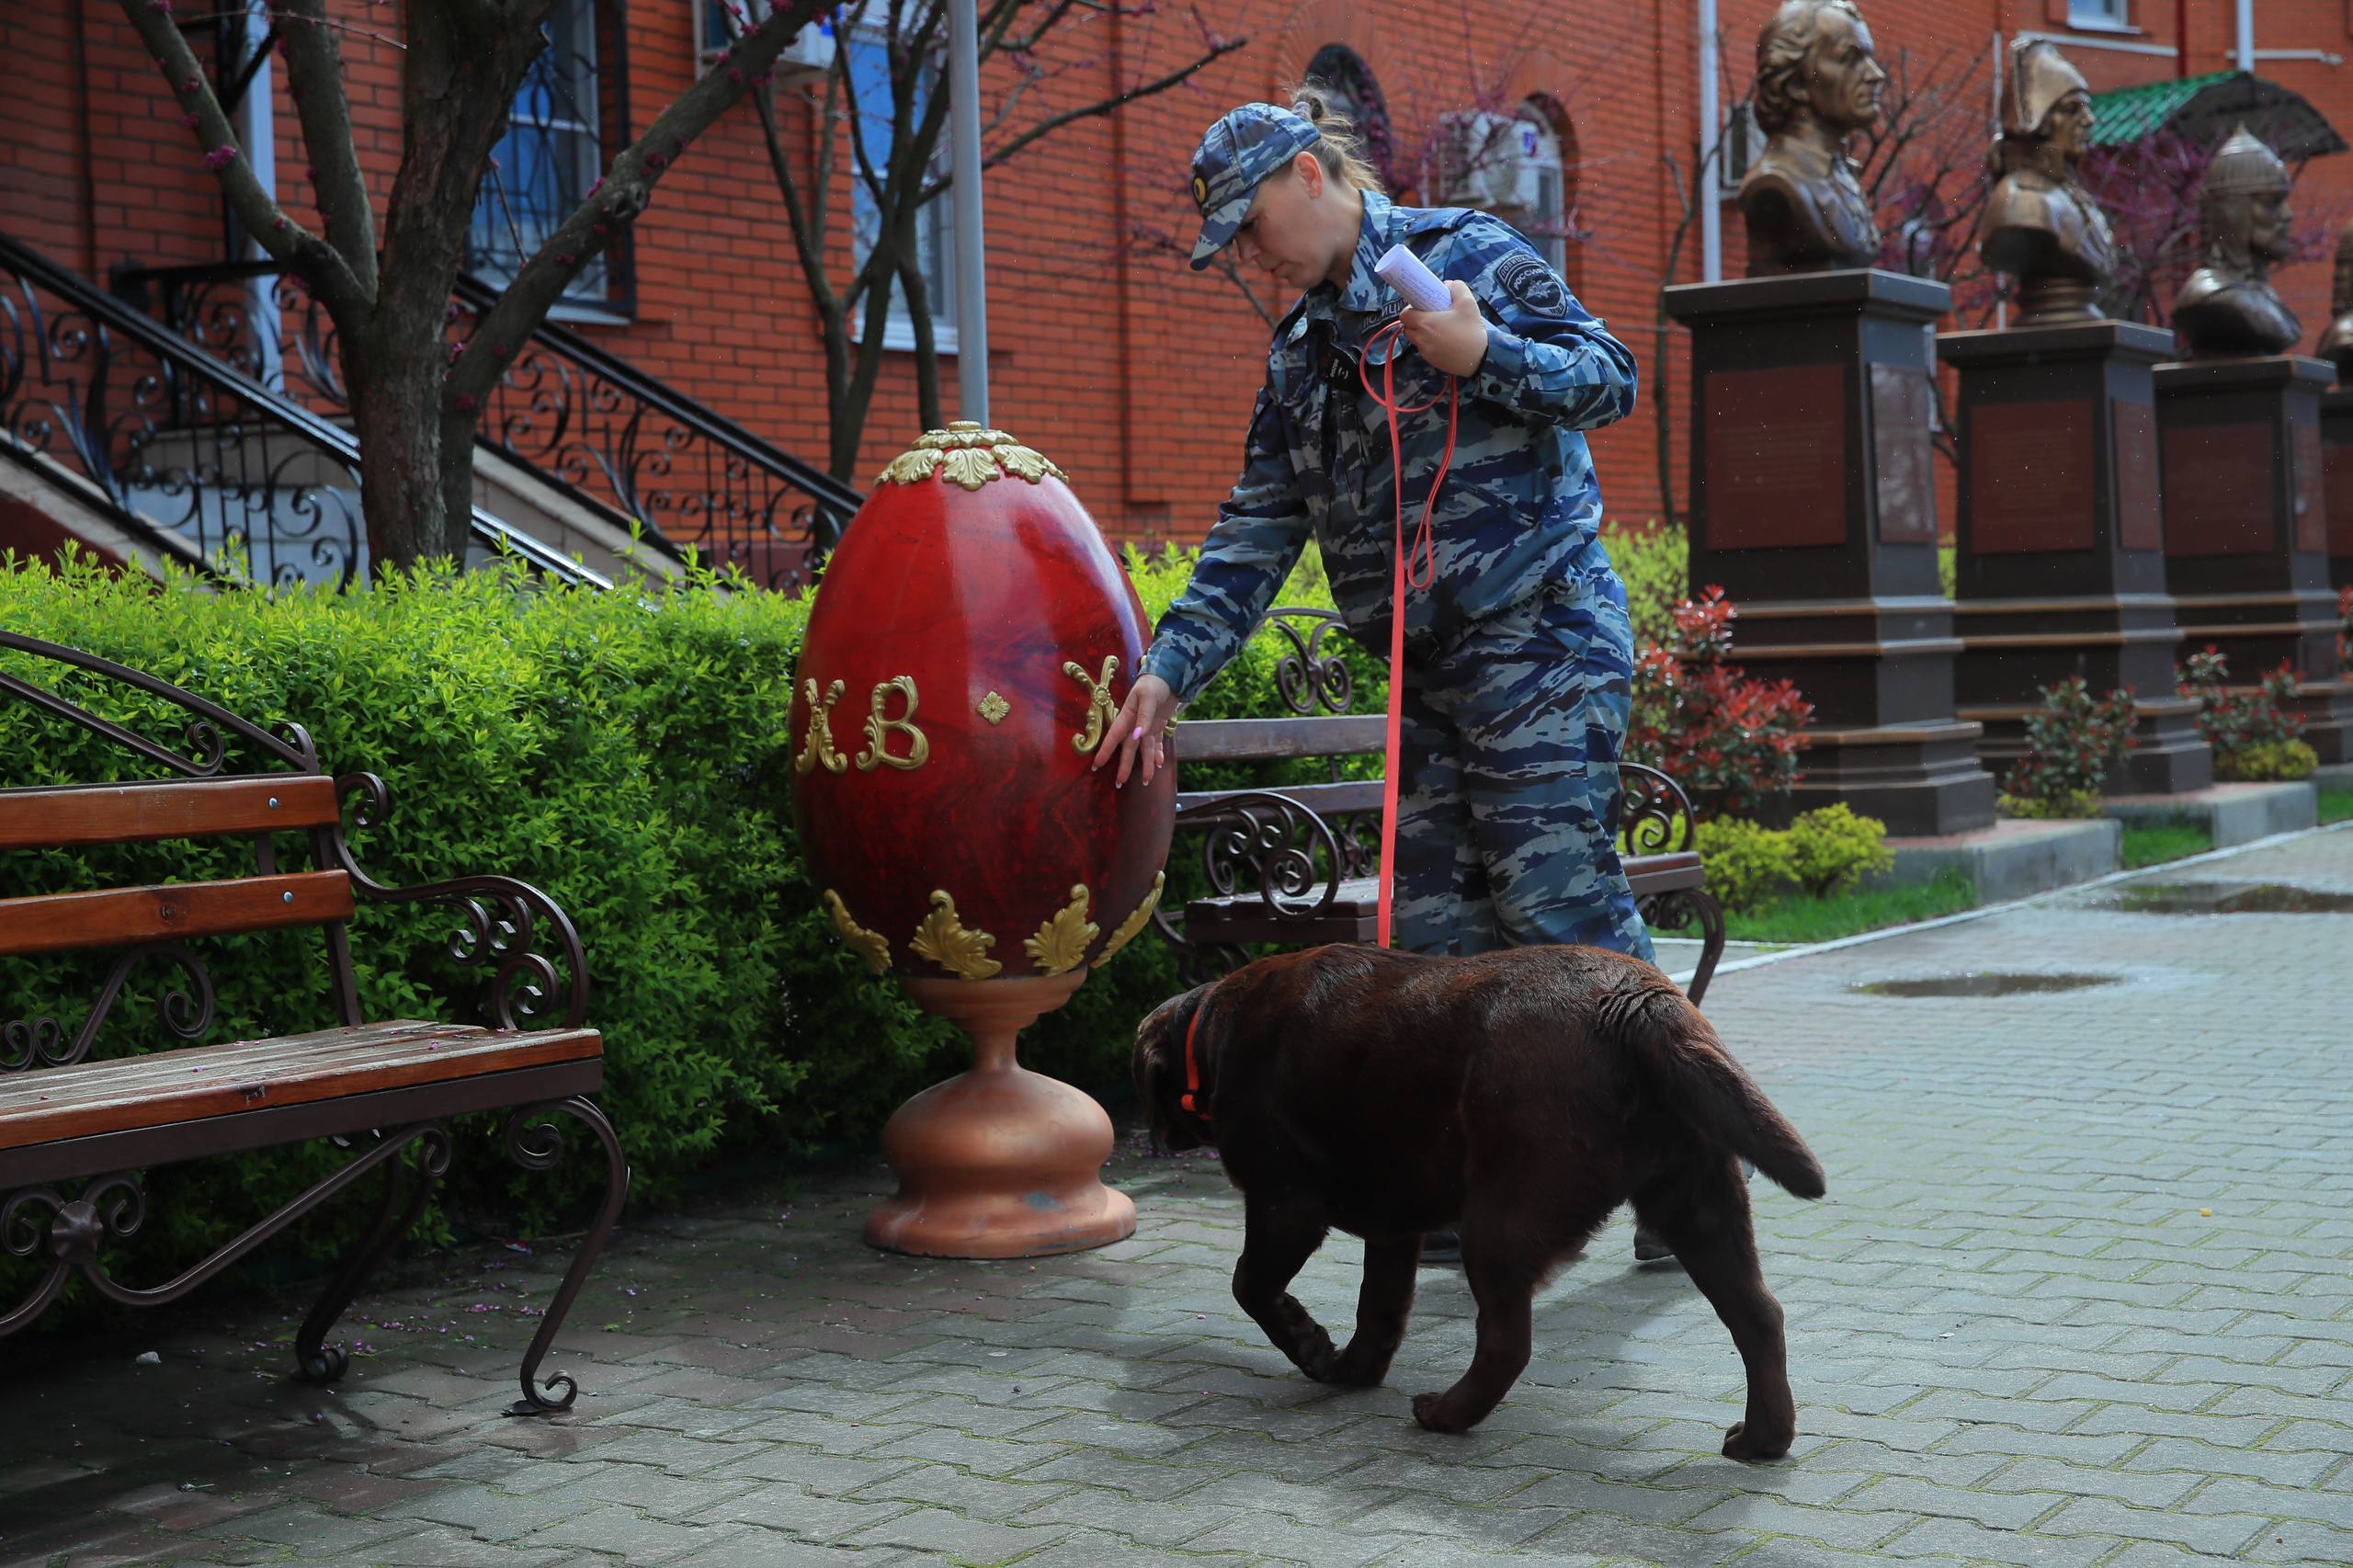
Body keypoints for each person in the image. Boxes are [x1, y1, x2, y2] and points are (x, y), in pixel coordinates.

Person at [1093, 92, 1671, 1261]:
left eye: (1251, 225)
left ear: (1309, 175)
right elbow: (1254, 533)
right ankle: (1472, 1191)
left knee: (1556, 904)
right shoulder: (1300, 355)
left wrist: (1481, 351)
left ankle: (1675, 1171)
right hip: (1428, 672)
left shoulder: (1463, 257)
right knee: (1444, 945)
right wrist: (1166, 672)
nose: (1250, 257)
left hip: (1539, 636)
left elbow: (1611, 377)